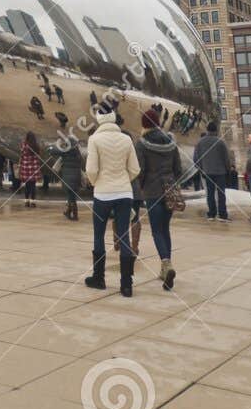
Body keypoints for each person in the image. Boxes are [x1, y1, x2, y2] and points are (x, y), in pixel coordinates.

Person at [83, 110, 139, 296]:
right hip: (124, 193)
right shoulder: (126, 139)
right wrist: (124, 181)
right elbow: (135, 169)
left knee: (99, 235)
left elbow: (91, 169)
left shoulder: (94, 140)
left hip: (103, 194)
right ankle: (126, 284)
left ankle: (98, 278)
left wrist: (95, 182)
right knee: (124, 236)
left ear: (99, 121)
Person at [136, 110, 183, 288]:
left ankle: (166, 264)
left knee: (157, 230)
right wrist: (171, 181)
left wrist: (142, 186)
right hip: (169, 190)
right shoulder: (171, 142)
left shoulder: (141, 144)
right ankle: (166, 267)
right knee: (165, 229)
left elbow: (140, 170)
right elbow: (178, 169)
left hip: (152, 191)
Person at [193, 121, 231, 221]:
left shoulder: (200, 142)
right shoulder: (220, 142)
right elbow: (226, 158)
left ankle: (211, 214)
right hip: (220, 172)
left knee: (210, 193)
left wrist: (201, 168)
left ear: (207, 130)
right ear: (216, 130)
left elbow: (196, 159)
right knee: (221, 193)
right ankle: (222, 214)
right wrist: (228, 170)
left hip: (207, 172)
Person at [56, 136, 85, 220]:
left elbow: (53, 151)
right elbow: (82, 164)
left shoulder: (65, 152)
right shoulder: (78, 153)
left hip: (67, 177)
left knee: (70, 196)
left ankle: (75, 215)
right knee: (72, 195)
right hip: (76, 177)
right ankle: (68, 212)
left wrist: (60, 144)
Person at [16, 131, 42, 207]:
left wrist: (20, 164)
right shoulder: (36, 146)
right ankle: (33, 202)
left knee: (27, 185)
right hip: (34, 167)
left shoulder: (23, 145)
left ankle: (27, 202)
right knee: (33, 185)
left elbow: (22, 155)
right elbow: (39, 156)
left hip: (25, 167)